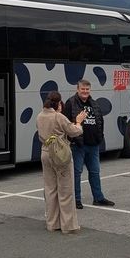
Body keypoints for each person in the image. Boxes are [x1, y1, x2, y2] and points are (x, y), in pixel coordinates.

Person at [36, 91, 86, 233]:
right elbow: (74, 131)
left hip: (45, 152)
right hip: (60, 153)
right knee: (65, 189)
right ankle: (68, 225)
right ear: (58, 103)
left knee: (50, 189)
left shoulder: (40, 116)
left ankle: (52, 223)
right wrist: (79, 122)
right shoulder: (58, 117)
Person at [64, 79, 114, 209]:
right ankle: (76, 200)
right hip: (78, 145)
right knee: (77, 173)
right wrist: (72, 140)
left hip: (93, 145)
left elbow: (100, 121)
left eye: (87, 89)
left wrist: (100, 138)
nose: (85, 91)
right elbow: (66, 123)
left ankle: (98, 198)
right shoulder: (70, 103)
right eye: (83, 89)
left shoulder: (94, 104)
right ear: (77, 89)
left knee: (95, 172)